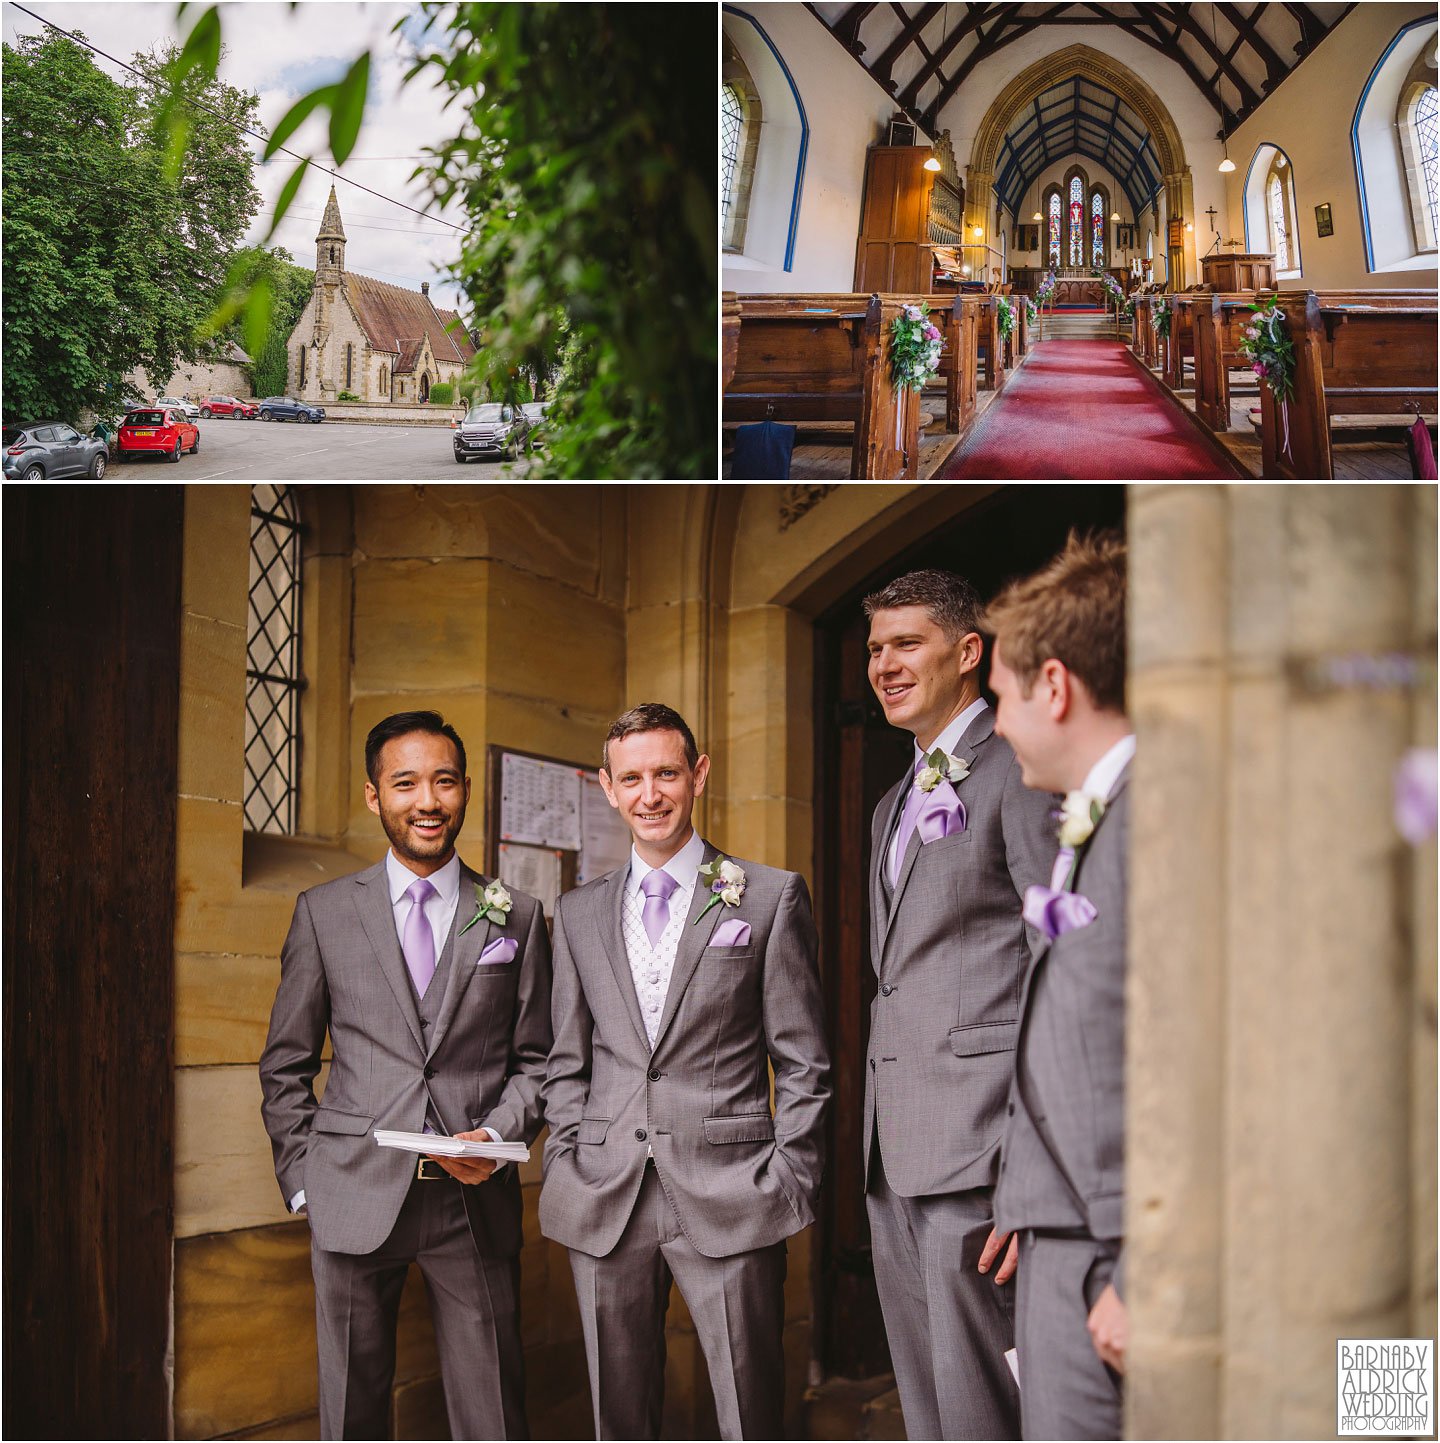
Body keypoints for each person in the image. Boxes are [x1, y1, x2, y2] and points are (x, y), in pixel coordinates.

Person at [539, 702, 831, 1440]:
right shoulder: (576, 914)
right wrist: (571, 1157)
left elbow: (804, 1061)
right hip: (605, 1194)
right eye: (631, 777)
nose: (650, 794)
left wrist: (788, 1174)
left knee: (748, 1413)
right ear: (607, 786)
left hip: (734, 1193)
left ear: (697, 774)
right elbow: (566, 1060)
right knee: (619, 1417)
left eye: (666, 772)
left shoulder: (768, 896)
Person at [259, 711, 552, 1439]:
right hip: (351, 1192)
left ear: (465, 790)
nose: (428, 800)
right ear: (373, 796)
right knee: (352, 1410)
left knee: (494, 1414)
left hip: (473, 1205)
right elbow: (286, 1061)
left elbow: (541, 1060)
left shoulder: (516, 914)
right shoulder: (323, 914)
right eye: (406, 782)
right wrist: (306, 1181)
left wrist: (498, 1133)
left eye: (444, 781)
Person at [861, 570, 1058, 1439]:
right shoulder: (889, 805)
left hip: (984, 1159)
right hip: (894, 1157)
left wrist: (1033, 1171)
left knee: (995, 1409)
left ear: (969, 651)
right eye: (874, 648)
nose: (884, 664)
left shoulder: (1020, 770)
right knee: (932, 1412)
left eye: (906, 643)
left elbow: (1064, 967)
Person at [984, 531, 1133, 1441]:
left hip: (1110, 1255)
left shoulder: (1155, 816)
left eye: (1000, 695)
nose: (996, 724)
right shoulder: (1097, 821)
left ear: (1055, 686)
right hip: (1064, 1231)